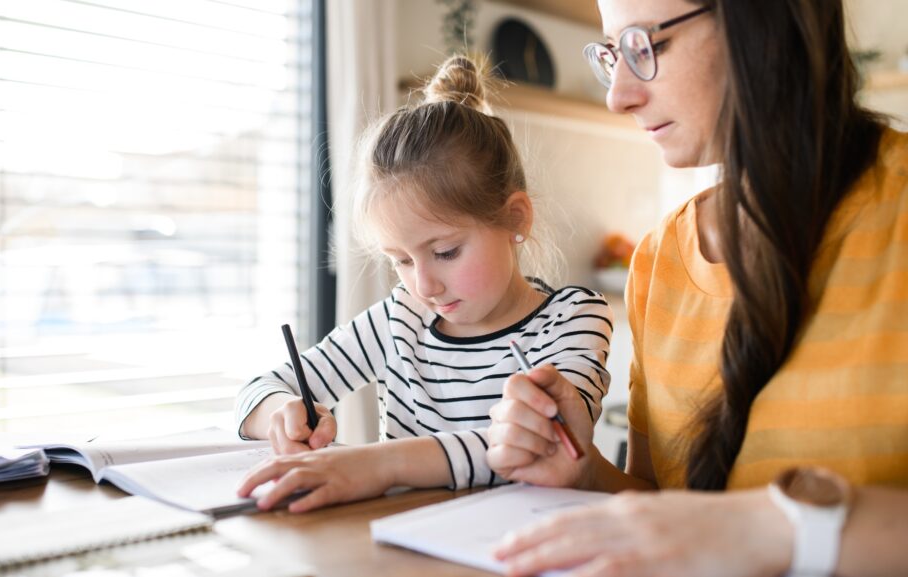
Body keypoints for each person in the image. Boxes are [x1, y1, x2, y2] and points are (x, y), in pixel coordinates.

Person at [485, 1, 908, 576]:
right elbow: (662, 505)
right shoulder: (658, 261)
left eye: (645, 46)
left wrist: (768, 526)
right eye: (613, 55)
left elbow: (710, 528)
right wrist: (582, 472)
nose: (618, 95)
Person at [233, 55, 614, 513]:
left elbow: (542, 446)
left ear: (515, 218)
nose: (425, 285)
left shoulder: (572, 319)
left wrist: (379, 465)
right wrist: (282, 414)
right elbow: (260, 388)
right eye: (400, 261)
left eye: (445, 252)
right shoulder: (403, 317)